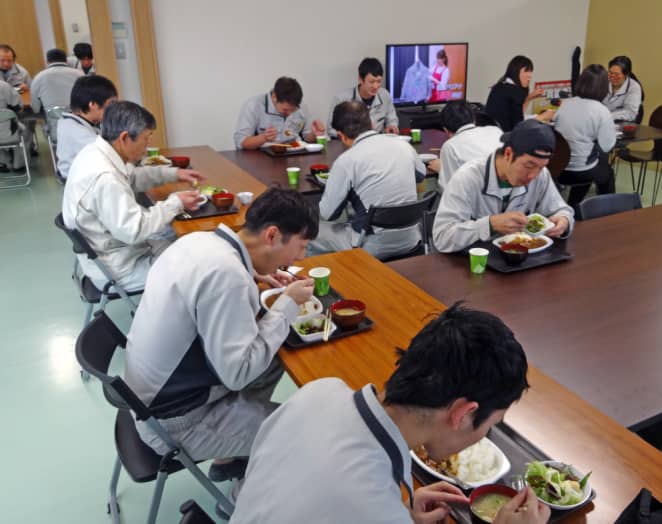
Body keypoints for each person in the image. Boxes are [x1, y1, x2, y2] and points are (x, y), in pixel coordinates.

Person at [230, 303, 550, 524]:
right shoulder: (371, 509)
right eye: (492, 425)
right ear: (463, 414)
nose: (485, 435)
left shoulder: (321, 390)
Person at [124, 188, 318, 497]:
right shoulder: (227, 275)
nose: (301, 258)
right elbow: (237, 373)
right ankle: (242, 501)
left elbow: (215, 286)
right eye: (301, 246)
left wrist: (253, 274)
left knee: (275, 355)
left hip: (150, 398)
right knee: (305, 434)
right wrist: (287, 303)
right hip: (178, 423)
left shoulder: (200, 241)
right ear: (271, 235)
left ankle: (228, 457)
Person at [61, 101, 203, 291]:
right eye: (146, 138)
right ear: (125, 138)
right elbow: (134, 230)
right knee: (201, 266)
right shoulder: (105, 178)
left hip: (116, 251)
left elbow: (133, 177)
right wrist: (175, 203)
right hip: (121, 269)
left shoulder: (97, 151)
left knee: (187, 241)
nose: (148, 145)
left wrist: (174, 173)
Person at [433, 119, 574, 254]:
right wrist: (489, 225)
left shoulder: (541, 174)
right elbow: (442, 237)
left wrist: (564, 220)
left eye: (541, 167)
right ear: (508, 154)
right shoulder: (467, 178)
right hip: (475, 263)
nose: (533, 176)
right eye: (528, 165)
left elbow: (561, 209)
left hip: (521, 259)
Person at [309, 100, 426, 260]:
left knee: (308, 233)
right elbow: (421, 175)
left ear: (341, 136)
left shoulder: (346, 161)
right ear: (370, 122)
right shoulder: (402, 145)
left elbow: (328, 214)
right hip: (412, 239)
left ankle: (324, 283)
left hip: (371, 246)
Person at [553, 64, 617, 208]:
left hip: (558, 169)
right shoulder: (602, 111)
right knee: (605, 172)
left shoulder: (565, 104)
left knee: (589, 162)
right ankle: (610, 213)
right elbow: (607, 146)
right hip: (582, 170)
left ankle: (575, 206)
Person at [233, 76, 325, 150]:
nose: (289, 114)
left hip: (293, 155)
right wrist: (263, 138)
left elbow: (307, 138)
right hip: (262, 159)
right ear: (274, 97)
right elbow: (241, 142)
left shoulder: (300, 106)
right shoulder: (254, 105)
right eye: (285, 110)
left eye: (293, 110)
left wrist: (314, 134)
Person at [430, 100, 502, 192]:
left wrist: (441, 169)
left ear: (445, 130)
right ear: (474, 120)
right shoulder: (495, 130)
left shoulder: (450, 146)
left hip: (476, 200)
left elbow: (448, 190)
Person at [55, 74, 117, 179]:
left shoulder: (73, 121)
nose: (113, 109)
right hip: (81, 182)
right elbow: (109, 154)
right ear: (92, 104)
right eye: (111, 103)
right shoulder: (76, 132)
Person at [327, 58, 399, 136]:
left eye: (379, 81)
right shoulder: (341, 99)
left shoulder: (385, 95)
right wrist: (350, 135)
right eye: (371, 82)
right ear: (360, 79)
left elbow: (392, 120)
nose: (375, 86)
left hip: (377, 142)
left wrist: (392, 126)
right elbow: (330, 129)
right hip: (351, 144)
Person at [485, 56, 550, 132]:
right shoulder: (515, 91)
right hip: (505, 136)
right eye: (526, 71)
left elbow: (517, 113)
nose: (530, 75)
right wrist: (542, 117)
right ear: (516, 71)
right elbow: (519, 126)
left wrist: (529, 98)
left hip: (493, 133)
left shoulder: (500, 86)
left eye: (531, 71)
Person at [29, 48, 83, 117]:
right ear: (66, 60)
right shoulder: (79, 74)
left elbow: (35, 109)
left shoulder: (38, 77)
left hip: (54, 123)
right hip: (79, 120)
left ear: (47, 61)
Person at [602, 56, 644, 123]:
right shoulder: (603, 80)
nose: (612, 77)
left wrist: (607, 116)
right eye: (610, 72)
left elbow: (630, 113)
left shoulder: (634, 87)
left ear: (626, 75)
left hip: (620, 124)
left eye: (616, 74)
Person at [0, 78, 23, 172]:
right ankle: (18, 165)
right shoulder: (3, 85)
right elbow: (18, 106)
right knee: (24, 132)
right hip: (7, 132)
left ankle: (3, 161)